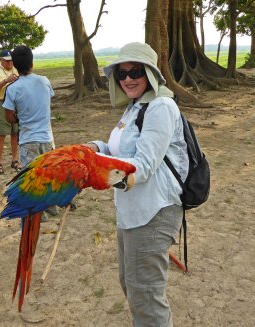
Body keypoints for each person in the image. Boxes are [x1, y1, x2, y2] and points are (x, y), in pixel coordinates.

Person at [85, 42, 189, 326]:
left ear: (152, 73)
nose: (128, 79)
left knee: (145, 295)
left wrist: (93, 174)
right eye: (122, 73)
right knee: (131, 285)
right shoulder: (135, 107)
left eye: (136, 71)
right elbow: (119, 149)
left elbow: (142, 166)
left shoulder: (161, 107)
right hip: (131, 211)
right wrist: (89, 150)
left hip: (153, 213)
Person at [3, 45, 58, 218]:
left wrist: (21, 118)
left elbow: (9, 117)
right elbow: (48, 99)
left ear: (15, 66)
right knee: (49, 175)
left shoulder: (12, 88)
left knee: (32, 179)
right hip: (47, 139)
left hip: (27, 140)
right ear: (32, 63)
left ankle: (38, 214)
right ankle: (52, 207)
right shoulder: (44, 81)